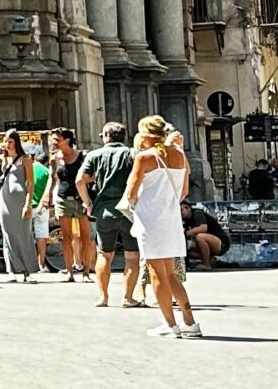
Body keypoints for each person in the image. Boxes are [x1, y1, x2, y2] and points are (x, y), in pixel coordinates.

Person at [123, 115, 201, 339]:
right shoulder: (179, 155)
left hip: (151, 219)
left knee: (157, 273)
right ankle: (189, 322)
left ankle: (169, 323)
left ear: (146, 135)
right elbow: (184, 190)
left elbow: (131, 191)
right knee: (171, 273)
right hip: (172, 218)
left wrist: (137, 204)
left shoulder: (145, 157)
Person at [78, 121, 144, 309]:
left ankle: (103, 297)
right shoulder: (132, 154)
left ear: (106, 136)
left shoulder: (94, 155)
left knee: (104, 254)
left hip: (104, 211)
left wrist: (88, 203)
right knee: (132, 255)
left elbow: (79, 180)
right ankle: (128, 297)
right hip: (129, 211)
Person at [0, 127, 46, 280]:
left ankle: (28, 271)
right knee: (8, 234)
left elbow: (30, 182)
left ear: (16, 142)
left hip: (20, 199)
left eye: (10, 141)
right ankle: (12, 270)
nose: (7, 144)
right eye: (5, 141)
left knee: (24, 233)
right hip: (5, 199)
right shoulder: (2, 158)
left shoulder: (25, 159)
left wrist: (28, 204)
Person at [49, 128, 89, 282]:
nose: (54, 142)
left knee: (85, 237)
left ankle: (86, 272)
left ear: (67, 140)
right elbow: (52, 178)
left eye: (56, 140)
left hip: (81, 198)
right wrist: (47, 195)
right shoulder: (55, 158)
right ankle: (70, 272)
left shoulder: (82, 156)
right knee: (66, 237)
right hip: (62, 198)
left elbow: (91, 176)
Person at [181, 202, 230, 271]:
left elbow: (203, 228)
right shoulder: (186, 221)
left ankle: (206, 264)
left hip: (221, 243)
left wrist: (186, 234)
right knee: (186, 249)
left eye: (181, 210)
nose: (180, 213)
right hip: (207, 243)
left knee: (200, 237)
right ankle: (210, 259)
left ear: (187, 208)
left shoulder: (197, 214)